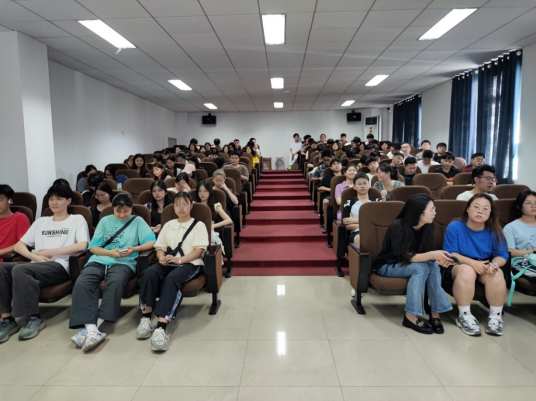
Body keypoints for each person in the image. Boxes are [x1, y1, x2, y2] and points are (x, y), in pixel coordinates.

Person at [0, 185, 89, 342]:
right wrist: (34, 257)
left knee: (20, 270)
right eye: (51, 199)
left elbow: (82, 245)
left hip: (60, 266)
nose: (54, 202)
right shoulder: (41, 221)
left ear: (68, 201)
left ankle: (33, 317)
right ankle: (7, 319)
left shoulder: (77, 219)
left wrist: (51, 251)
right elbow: (19, 246)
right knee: (2, 268)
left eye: (59, 199)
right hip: (37, 264)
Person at [69, 193, 155, 352]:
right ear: (113, 209)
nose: (122, 215)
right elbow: (93, 248)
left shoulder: (137, 221)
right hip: (99, 259)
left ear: (131, 208)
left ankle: (92, 328)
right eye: (118, 211)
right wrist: (110, 253)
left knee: (115, 283)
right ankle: (92, 330)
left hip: (124, 262)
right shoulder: (105, 221)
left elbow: (151, 241)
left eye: (126, 211)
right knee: (82, 283)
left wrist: (135, 249)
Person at [137, 191, 209, 352]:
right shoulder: (169, 225)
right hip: (168, 261)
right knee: (149, 273)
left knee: (171, 279)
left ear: (191, 205)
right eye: (177, 204)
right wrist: (161, 257)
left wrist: (179, 260)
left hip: (190, 263)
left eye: (184, 204)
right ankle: (146, 318)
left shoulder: (199, 225)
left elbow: (198, 250)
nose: (181, 207)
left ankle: (161, 327)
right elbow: (160, 247)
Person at [373, 194, 453, 334]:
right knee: (421, 268)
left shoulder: (429, 225)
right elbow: (404, 257)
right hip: (388, 265)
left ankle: (435, 313)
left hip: (411, 263)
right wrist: (432, 255)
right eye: (431, 210)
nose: (435, 213)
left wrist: (437, 259)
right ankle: (410, 316)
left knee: (433, 265)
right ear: (418, 212)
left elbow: (426, 253)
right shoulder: (399, 226)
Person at [442, 193, 508, 336]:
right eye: (476, 207)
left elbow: (502, 255)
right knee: (467, 271)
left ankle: (495, 317)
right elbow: (450, 254)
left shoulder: (494, 229)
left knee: (496, 274)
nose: (480, 211)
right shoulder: (455, 226)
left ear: (490, 212)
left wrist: (495, 264)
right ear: (467, 208)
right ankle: (464, 315)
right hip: (458, 264)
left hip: (484, 263)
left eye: (485, 209)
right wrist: (472, 263)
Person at [194, 181, 232, 254]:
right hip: (196, 232)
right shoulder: (194, 205)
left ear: (210, 192)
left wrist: (213, 226)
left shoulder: (215, 206)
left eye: (205, 191)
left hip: (209, 233)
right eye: (200, 191)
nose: (202, 194)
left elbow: (229, 220)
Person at [342, 173, 379, 244]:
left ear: (369, 185)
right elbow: (346, 223)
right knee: (361, 238)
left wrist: (354, 220)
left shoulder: (377, 201)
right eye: (359, 184)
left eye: (365, 183)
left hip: (376, 231)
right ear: (354, 187)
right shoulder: (349, 203)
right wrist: (370, 223)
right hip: (357, 232)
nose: (362, 186)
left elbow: (380, 220)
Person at [0, 184, 31, 264]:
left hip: (5, 263)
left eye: (0, 200)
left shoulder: (20, 218)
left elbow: (23, 244)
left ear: (10, 201)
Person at [504, 189, 536, 257]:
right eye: (528, 203)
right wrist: (532, 252)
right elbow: (510, 251)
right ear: (519, 207)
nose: (533, 205)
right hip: (523, 261)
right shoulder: (510, 228)